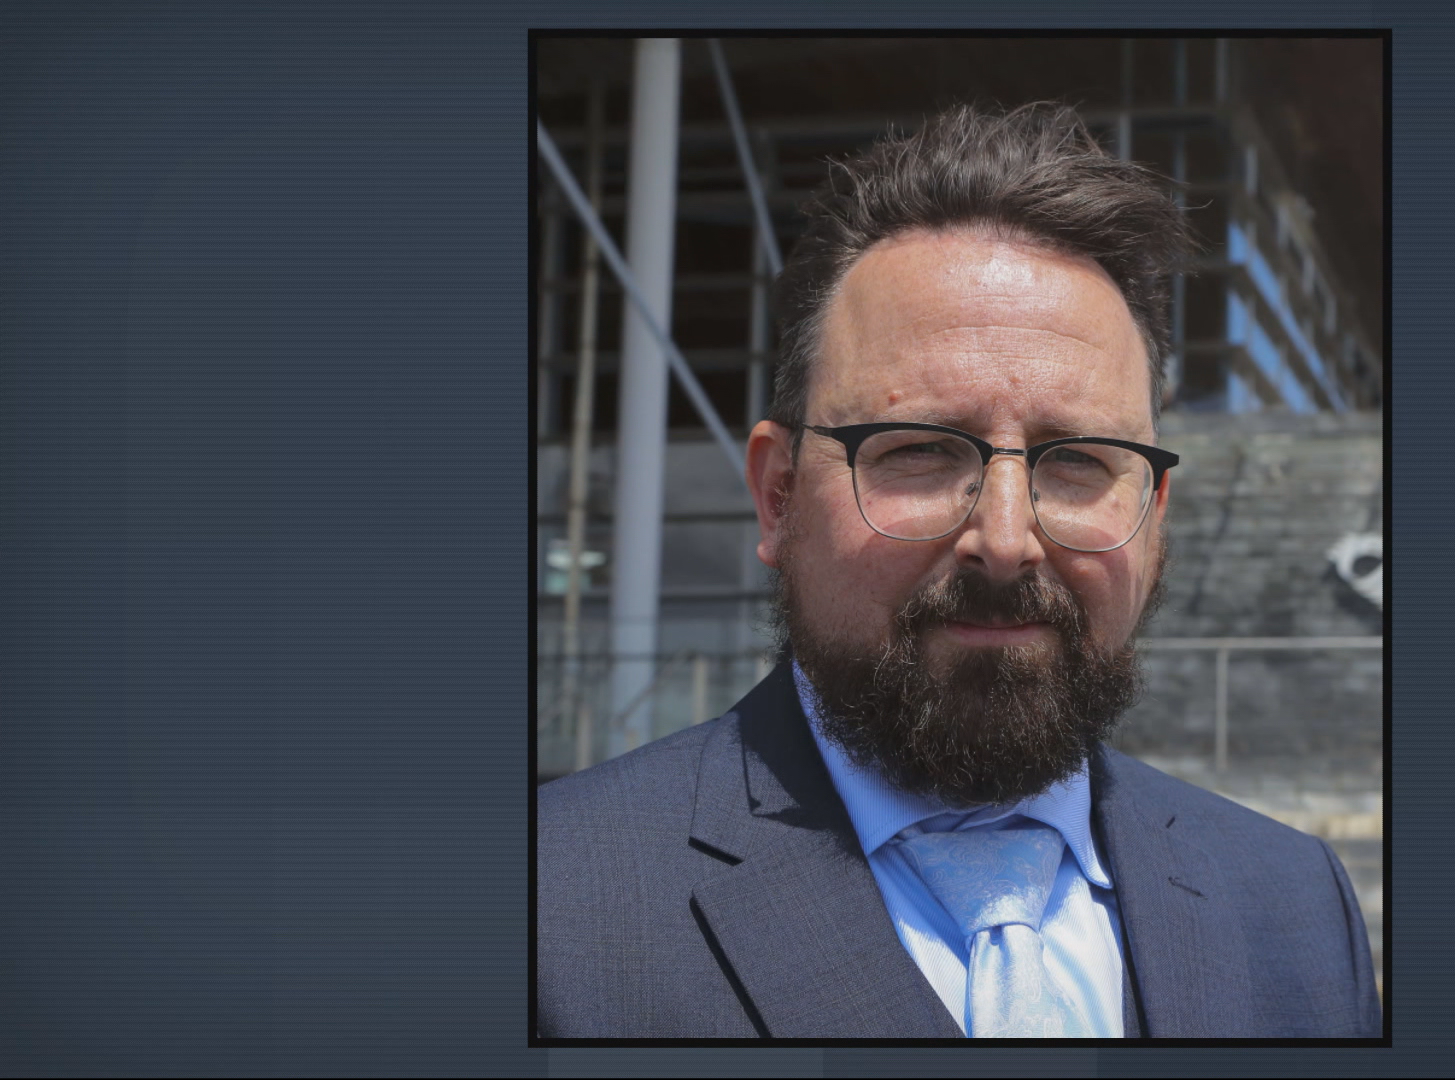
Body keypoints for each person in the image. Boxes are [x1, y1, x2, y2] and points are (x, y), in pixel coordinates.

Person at [537, 102, 1381, 1039]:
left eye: (1078, 461)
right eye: (920, 451)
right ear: (779, 496)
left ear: (1153, 515)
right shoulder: (555, 911)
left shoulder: (1293, 909)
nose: (1007, 540)